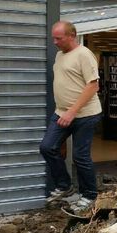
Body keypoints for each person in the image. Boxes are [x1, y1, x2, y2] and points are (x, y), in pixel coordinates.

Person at [39, 21, 102, 215]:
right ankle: (65, 185)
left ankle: (90, 195)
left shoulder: (84, 54)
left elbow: (93, 86)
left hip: (85, 115)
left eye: (59, 38)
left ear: (72, 35)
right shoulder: (59, 55)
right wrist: (65, 111)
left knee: (81, 156)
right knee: (48, 147)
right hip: (62, 112)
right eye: (53, 38)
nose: (55, 42)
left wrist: (72, 112)